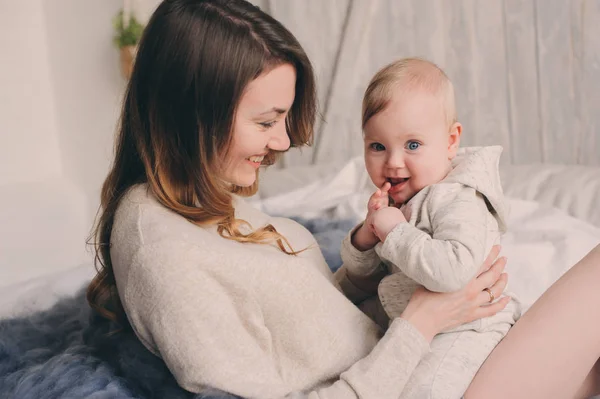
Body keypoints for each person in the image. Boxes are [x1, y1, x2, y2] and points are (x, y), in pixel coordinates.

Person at [85, 1, 600, 398]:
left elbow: (307, 325)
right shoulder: (159, 249)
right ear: (190, 114)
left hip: (425, 355)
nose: (284, 142)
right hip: (424, 378)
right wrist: (424, 319)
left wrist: (362, 262)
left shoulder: (208, 201)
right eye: (266, 122)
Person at [341, 58, 521, 398]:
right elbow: (366, 275)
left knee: (423, 391)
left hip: (465, 330)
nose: (393, 162)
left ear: (451, 141)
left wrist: (395, 233)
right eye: (377, 146)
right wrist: (365, 238)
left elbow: (452, 272)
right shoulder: (399, 199)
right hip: (415, 324)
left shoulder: (457, 198)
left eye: (412, 145)